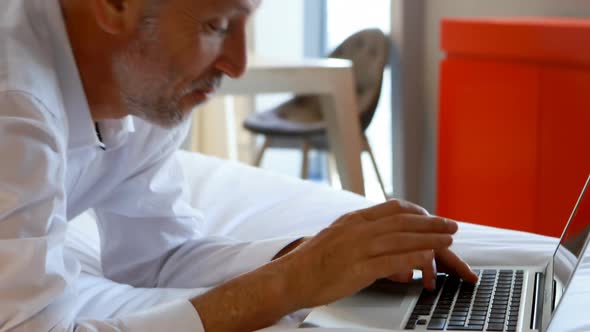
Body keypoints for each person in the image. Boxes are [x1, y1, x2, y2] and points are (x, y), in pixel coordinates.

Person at [0, 0, 478, 330]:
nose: (238, 64)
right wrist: (290, 285)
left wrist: (328, 256)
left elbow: (156, 259)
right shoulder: (15, 104)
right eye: (216, 25)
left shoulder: (145, 94)